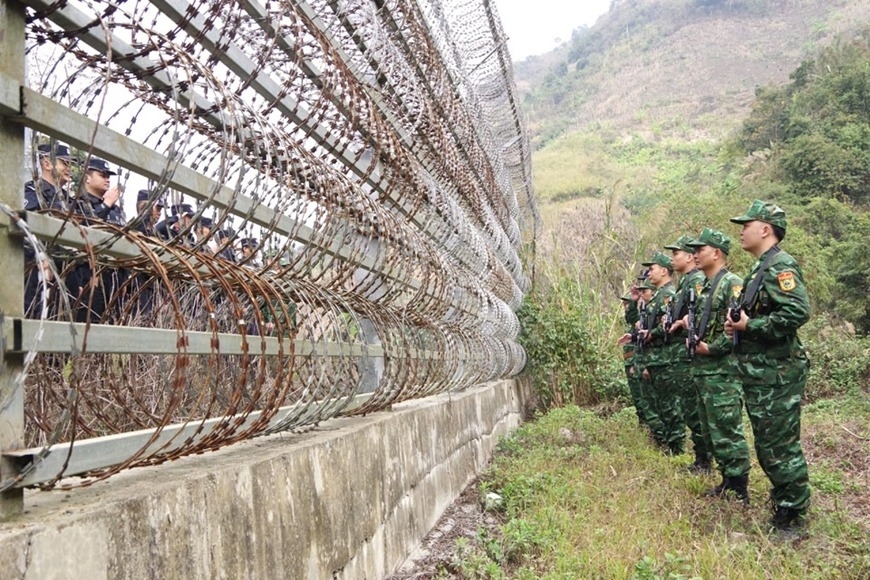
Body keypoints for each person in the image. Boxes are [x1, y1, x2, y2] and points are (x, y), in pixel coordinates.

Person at [725, 200, 811, 532]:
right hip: (762, 373)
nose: (741, 231)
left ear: (765, 229)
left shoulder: (780, 265)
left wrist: (752, 326)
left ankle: (793, 515)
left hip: (778, 373)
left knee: (779, 446)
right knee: (768, 443)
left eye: (747, 225)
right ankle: (784, 503)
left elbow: (797, 312)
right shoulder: (760, 266)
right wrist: (739, 324)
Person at [682, 228, 751, 502]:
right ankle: (727, 480)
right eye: (694, 250)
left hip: (722, 371)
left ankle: (738, 488)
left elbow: (734, 327)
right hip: (703, 370)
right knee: (711, 430)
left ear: (717, 253)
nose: (695, 255)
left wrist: (711, 348)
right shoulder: (705, 287)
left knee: (727, 429)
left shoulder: (731, 283)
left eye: (700, 250)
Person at [665, 235, 711, 472]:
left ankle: (704, 460)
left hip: (693, 353)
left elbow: (702, 316)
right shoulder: (686, 282)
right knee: (690, 408)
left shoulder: (697, 281)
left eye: (676, 253)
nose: (672, 258)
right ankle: (701, 458)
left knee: (694, 408)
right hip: (682, 352)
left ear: (690, 256)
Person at [66, 156, 127, 322]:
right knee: (88, 324)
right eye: (102, 175)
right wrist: (105, 205)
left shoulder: (116, 211)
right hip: (89, 274)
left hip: (113, 276)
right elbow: (85, 232)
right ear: (87, 176)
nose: (107, 179)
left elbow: (124, 244)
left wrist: (124, 278)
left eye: (108, 176)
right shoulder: (77, 205)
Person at [634, 252, 680, 453]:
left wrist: (651, 334)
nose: (649, 273)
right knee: (662, 404)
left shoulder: (668, 295)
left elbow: (667, 325)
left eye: (652, 269)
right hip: (656, 359)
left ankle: (676, 447)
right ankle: (669, 444)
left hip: (666, 359)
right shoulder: (659, 296)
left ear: (663, 270)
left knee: (670, 406)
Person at [23, 143, 74, 317]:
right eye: (64, 163)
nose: (69, 168)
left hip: (64, 272)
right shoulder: (33, 191)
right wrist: (42, 255)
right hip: (36, 270)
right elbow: (24, 229)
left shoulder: (67, 200)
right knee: (33, 317)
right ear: (47, 163)